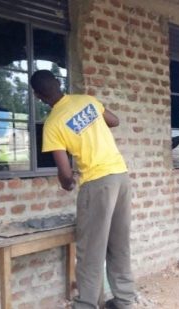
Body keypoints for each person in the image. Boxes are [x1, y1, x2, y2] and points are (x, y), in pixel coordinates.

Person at [30, 70, 135, 309]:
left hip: (97, 184)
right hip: (120, 176)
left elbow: (65, 173)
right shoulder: (87, 100)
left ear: (37, 95)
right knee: (119, 244)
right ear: (58, 83)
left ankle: (86, 304)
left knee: (90, 249)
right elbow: (114, 120)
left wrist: (67, 184)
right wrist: (91, 123)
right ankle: (125, 301)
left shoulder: (53, 124)